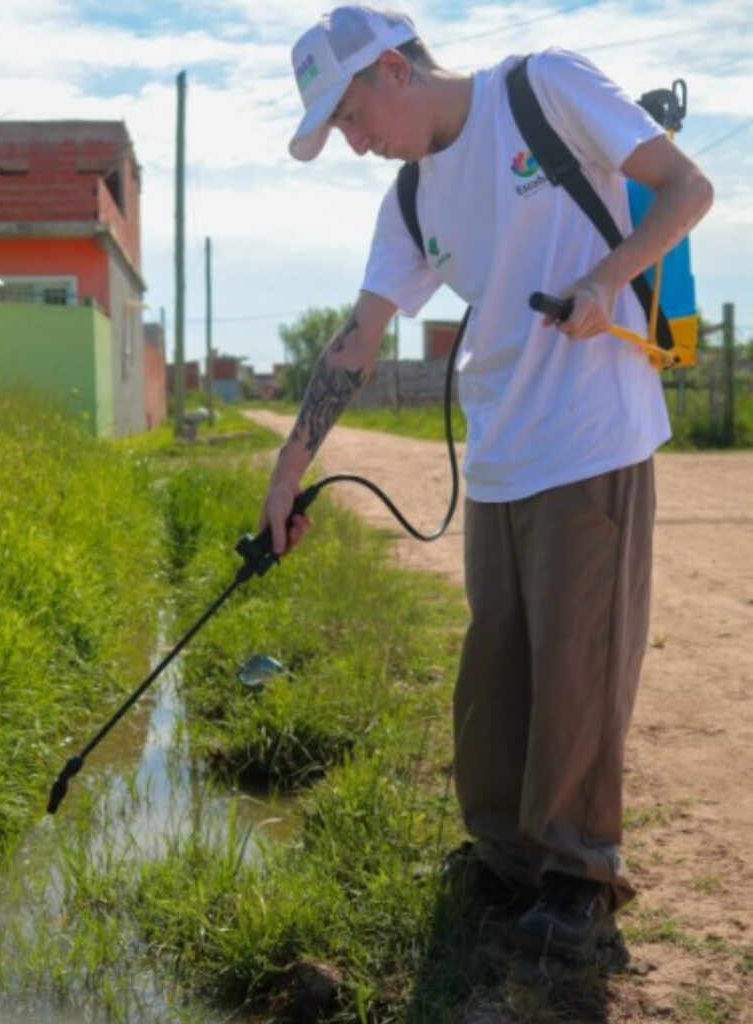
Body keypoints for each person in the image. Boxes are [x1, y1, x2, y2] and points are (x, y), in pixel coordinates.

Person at [260, 5, 713, 961]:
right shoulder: (413, 200)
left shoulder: (541, 89)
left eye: (349, 118)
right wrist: (290, 465)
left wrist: (607, 277)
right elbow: (361, 333)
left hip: (594, 435)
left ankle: (580, 878)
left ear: (392, 68)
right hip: (501, 452)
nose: (355, 145)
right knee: (498, 670)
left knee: (579, 665)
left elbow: (686, 188)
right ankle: (507, 858)